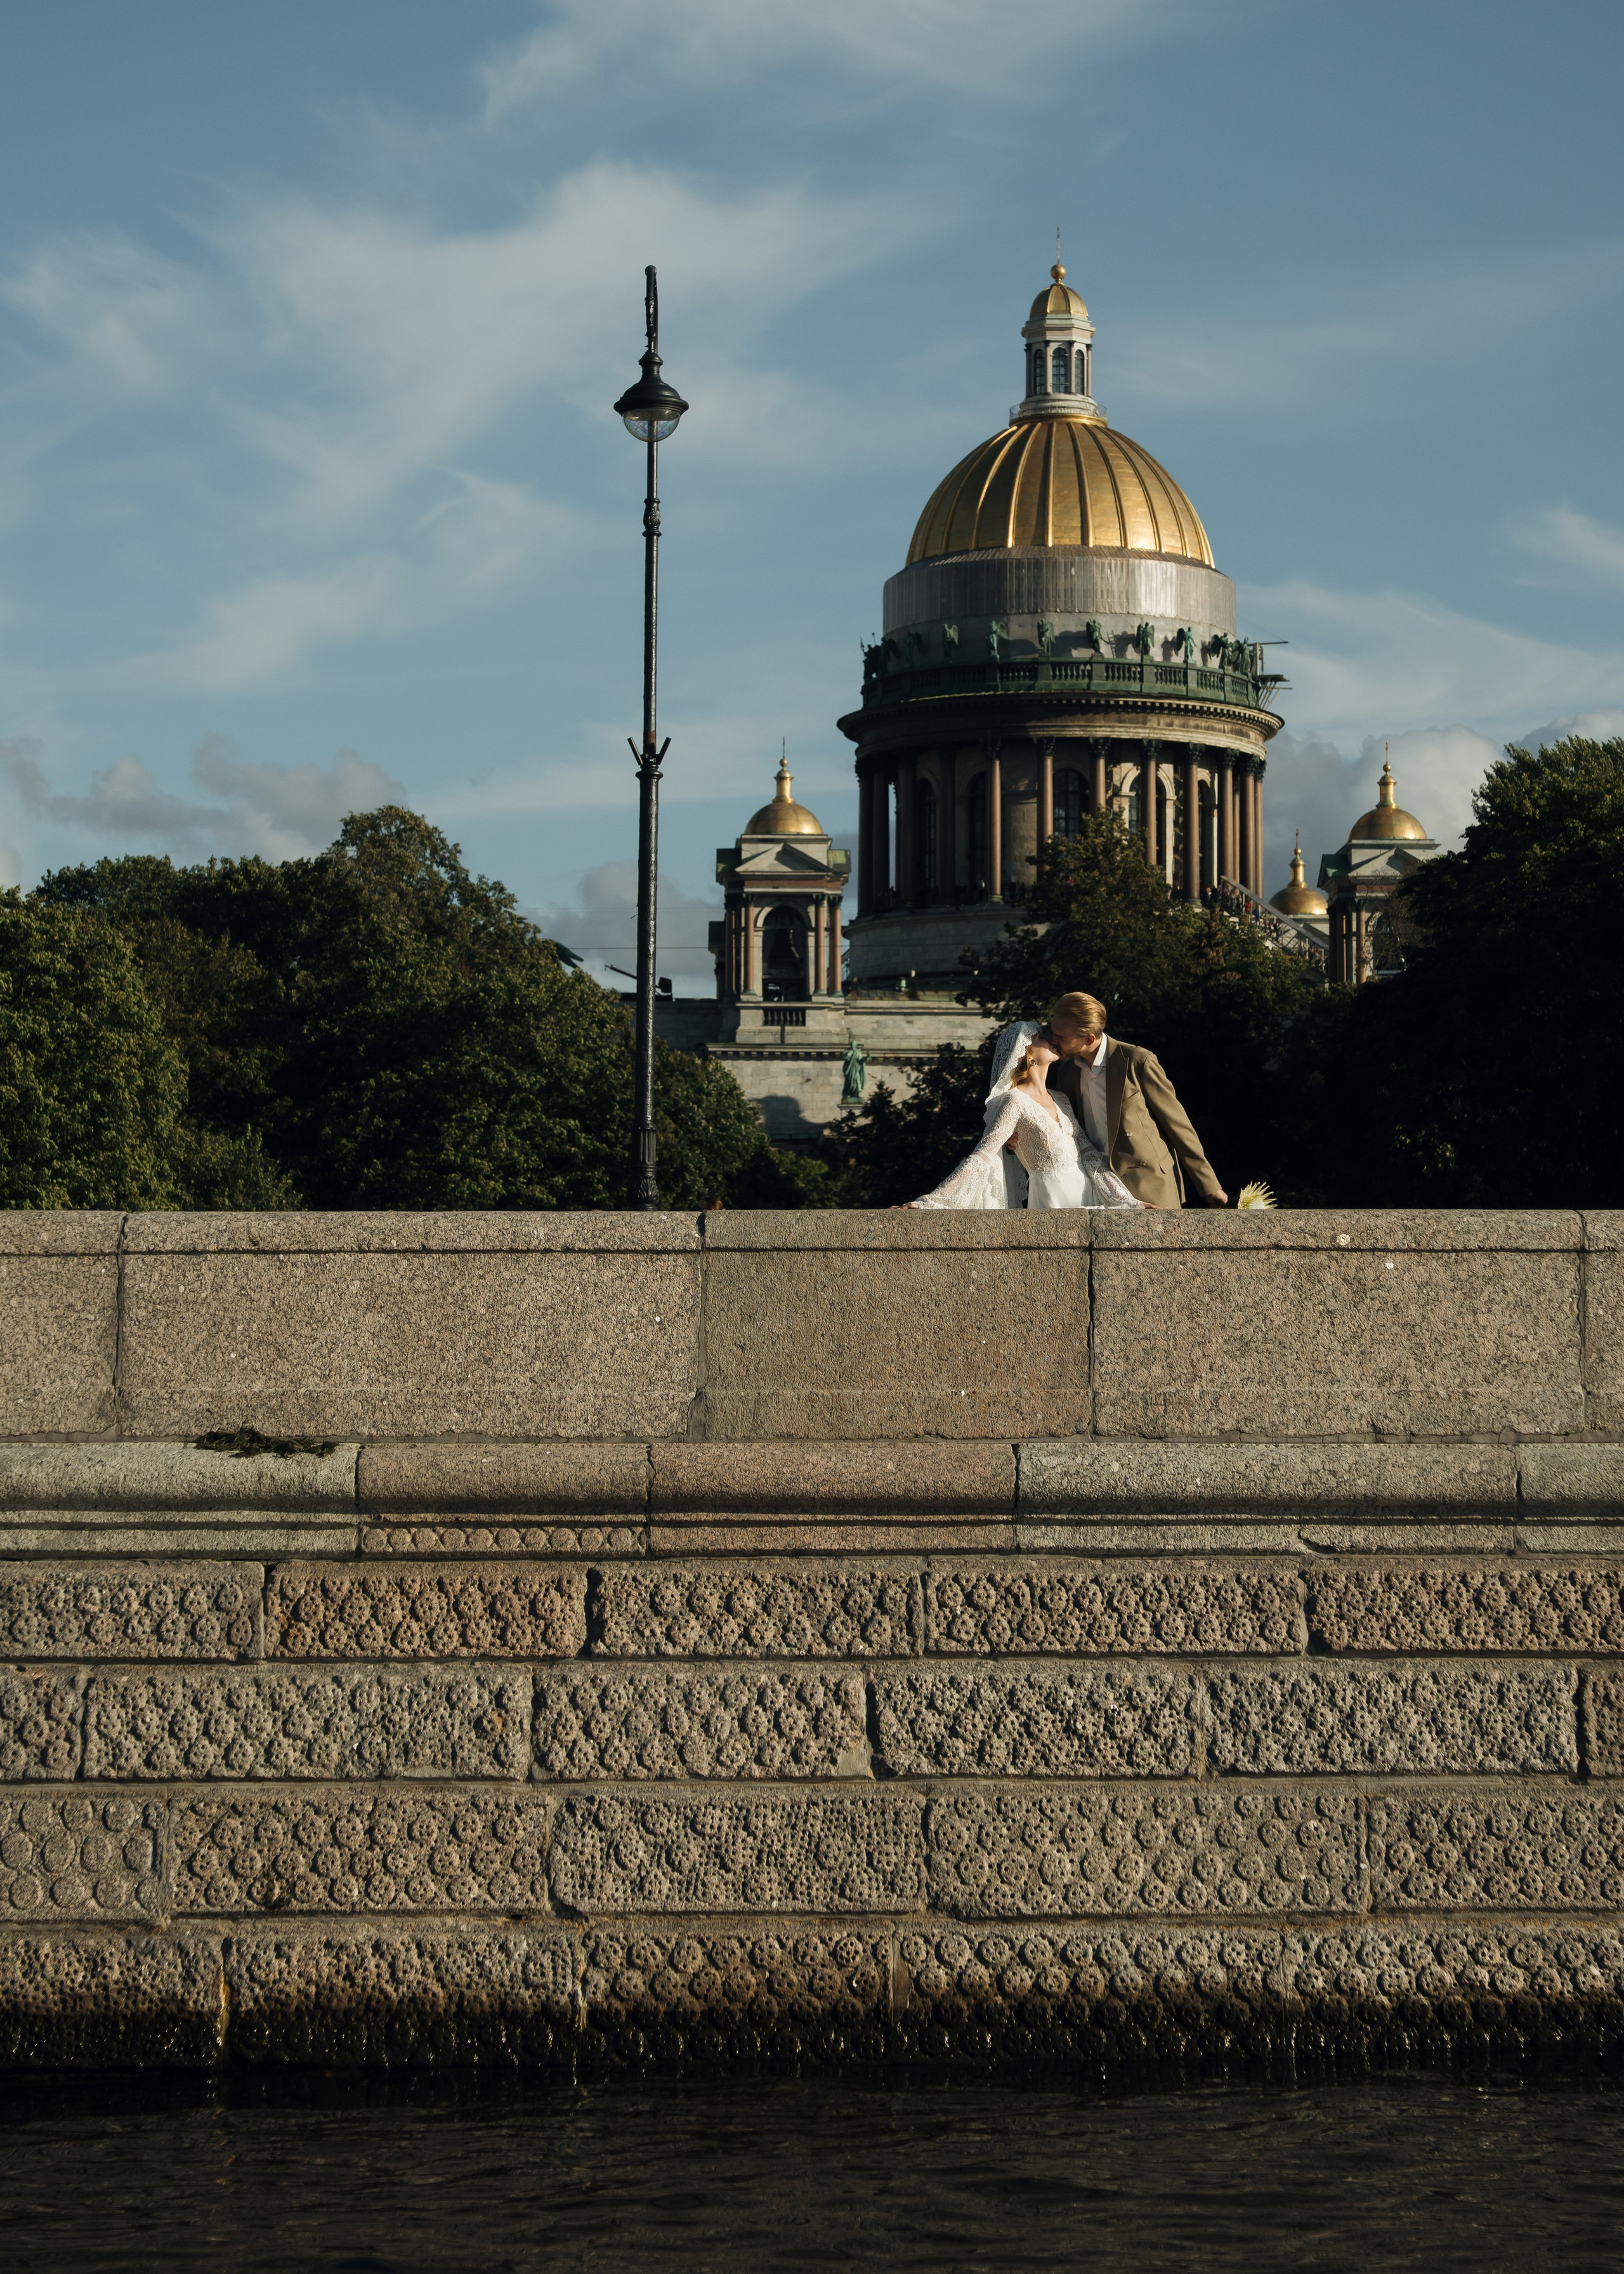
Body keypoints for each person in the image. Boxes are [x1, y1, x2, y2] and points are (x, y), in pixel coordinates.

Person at [907, 1022, 1142, 1211]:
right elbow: (982, 1156)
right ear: (1027, 1054)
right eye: (1041, 1037)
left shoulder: (1061, 1099)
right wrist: (931, 1200)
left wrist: (1130, 1202)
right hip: (1051, 1199)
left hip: (1086, 1195)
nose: (1052, 1038)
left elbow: (1090, 1156)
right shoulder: (1014, 1101)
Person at [1045, 990, 1227, 1209]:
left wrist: (1209, 1185)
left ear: (1089, 1039)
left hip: (1150, 1185)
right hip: (1098, 1186)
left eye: (1062, 1037)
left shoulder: (1137, 1061)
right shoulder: (1067, 1072)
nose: (1053, 1041)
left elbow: (1178, 1126)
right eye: (1053, 1032)